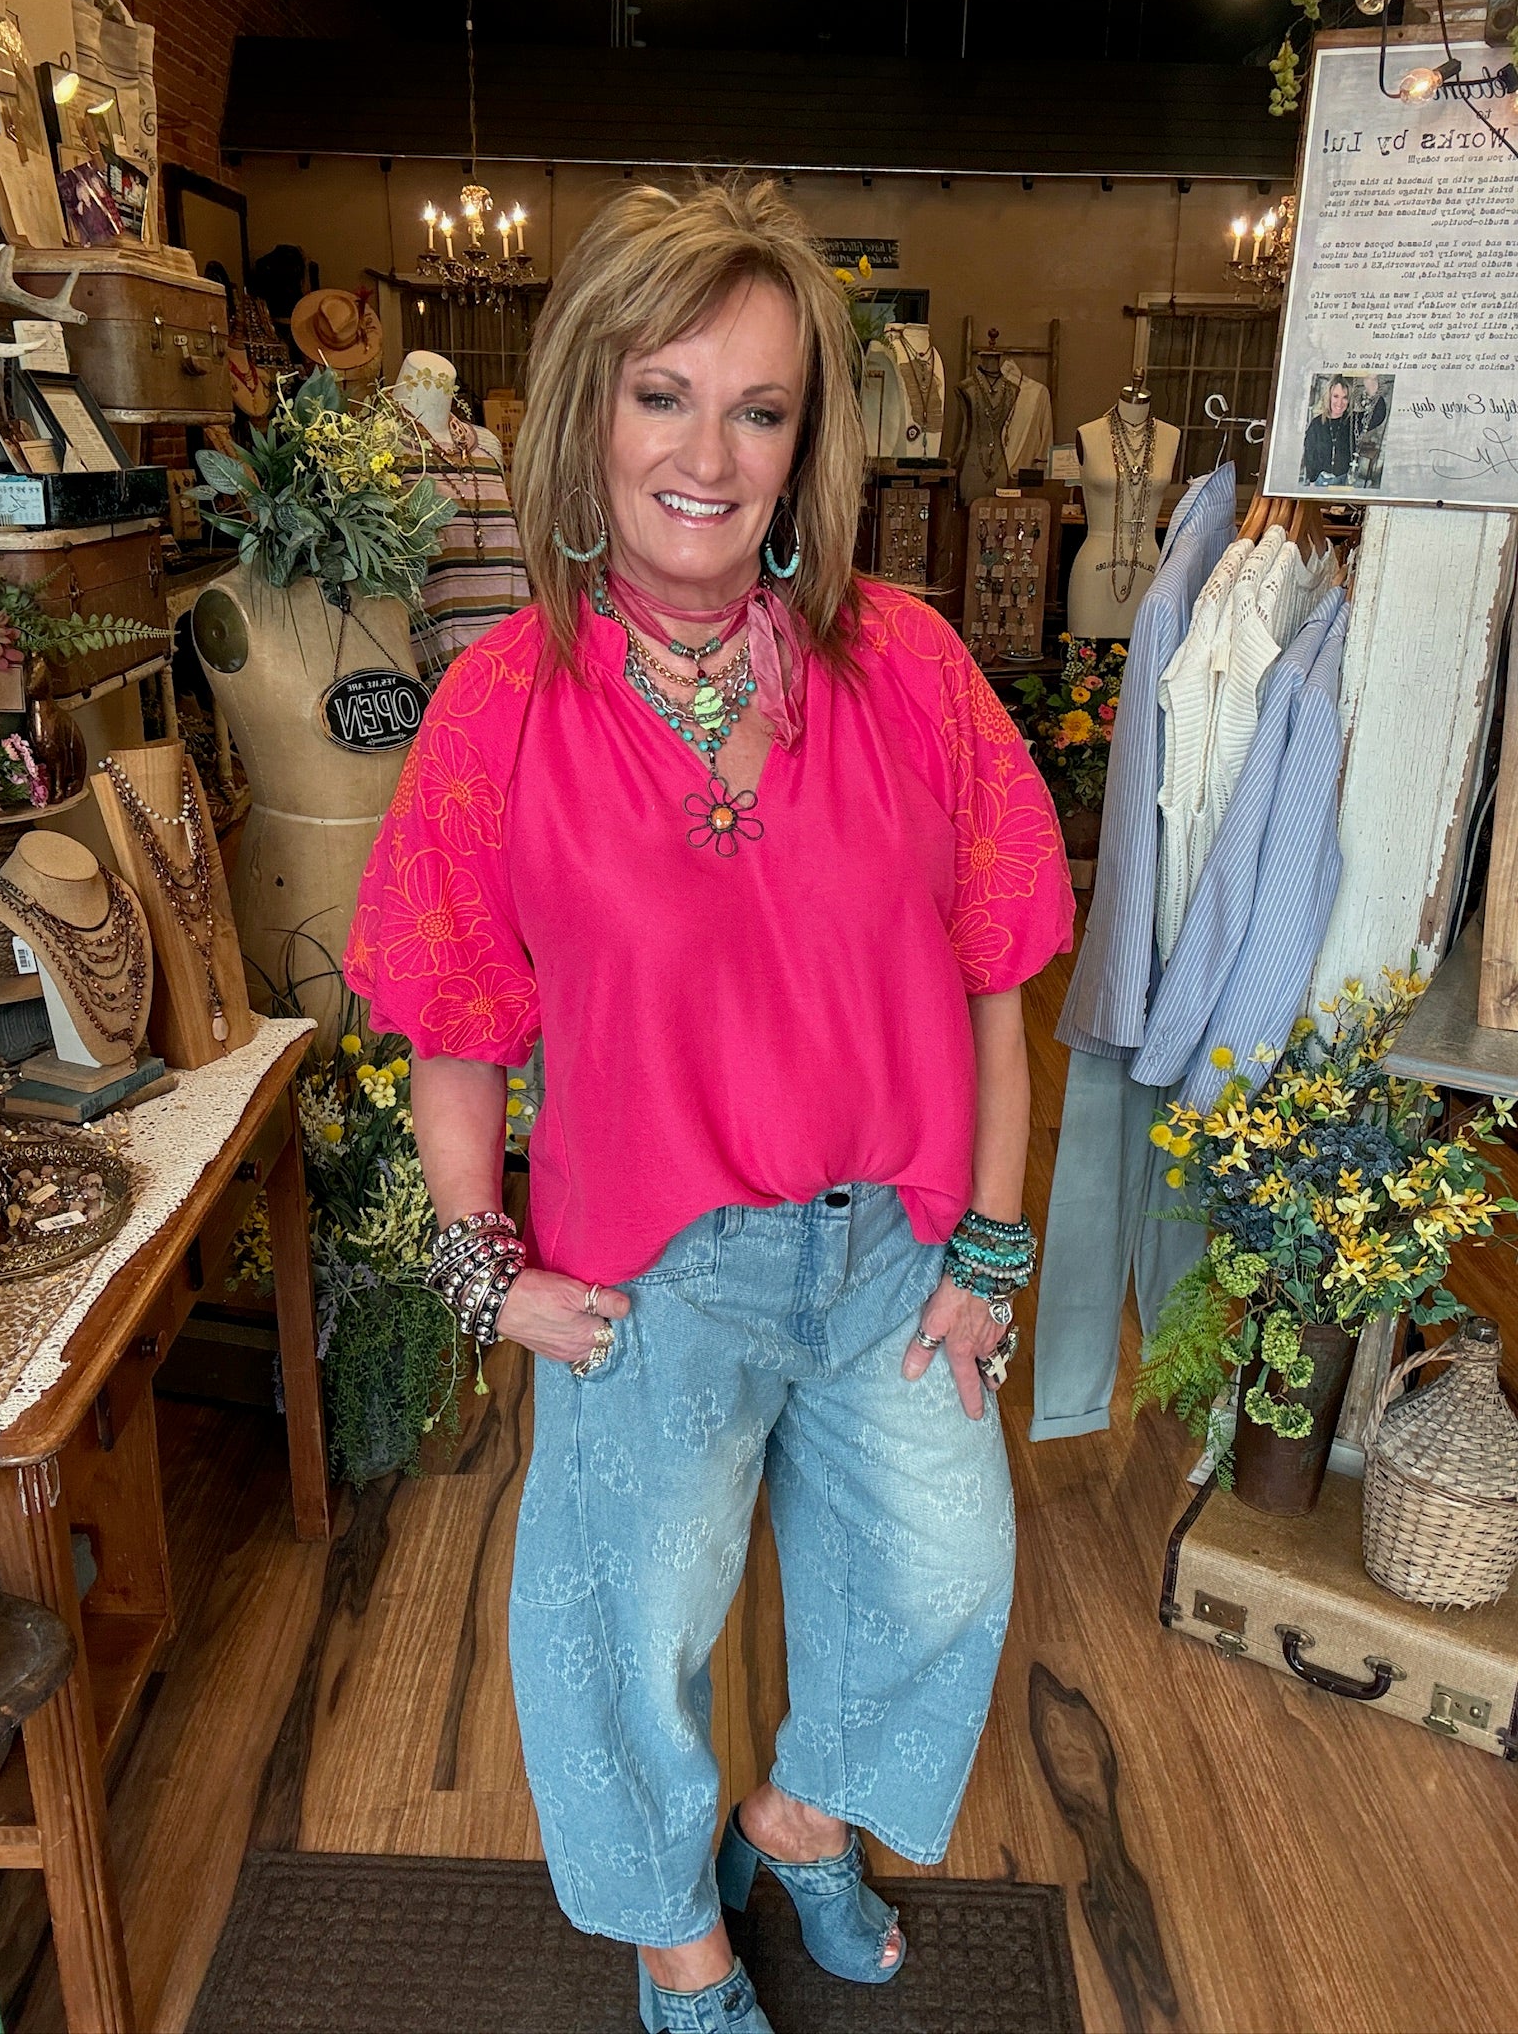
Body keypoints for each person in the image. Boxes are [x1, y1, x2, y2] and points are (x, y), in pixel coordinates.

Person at [345, 178, 1074, 2034]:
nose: (707, 455)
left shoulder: (906, 666)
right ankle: (678, 1937)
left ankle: (796, 1819)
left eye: (758, 410)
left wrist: (991, 1247)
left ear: (805, 445)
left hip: (892, 1246)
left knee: (943, 1577)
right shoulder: (501, 705)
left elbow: (993, 978)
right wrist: (479, 1267)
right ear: (589, 409)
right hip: (652, 1276)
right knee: (627, 1636)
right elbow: (452, 1019)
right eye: (663, 395)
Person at [1301, 374, 1353, 484]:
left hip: (1343, 479)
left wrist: (1371, 383)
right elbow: (1309, 454)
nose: (1340, 402)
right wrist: (1312, 479)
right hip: (1321, 480)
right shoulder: (1316, 424)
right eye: (1336, 396)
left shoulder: (1352, 422)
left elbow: (1378, 415)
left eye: (1344, 398)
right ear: (1329, 397)